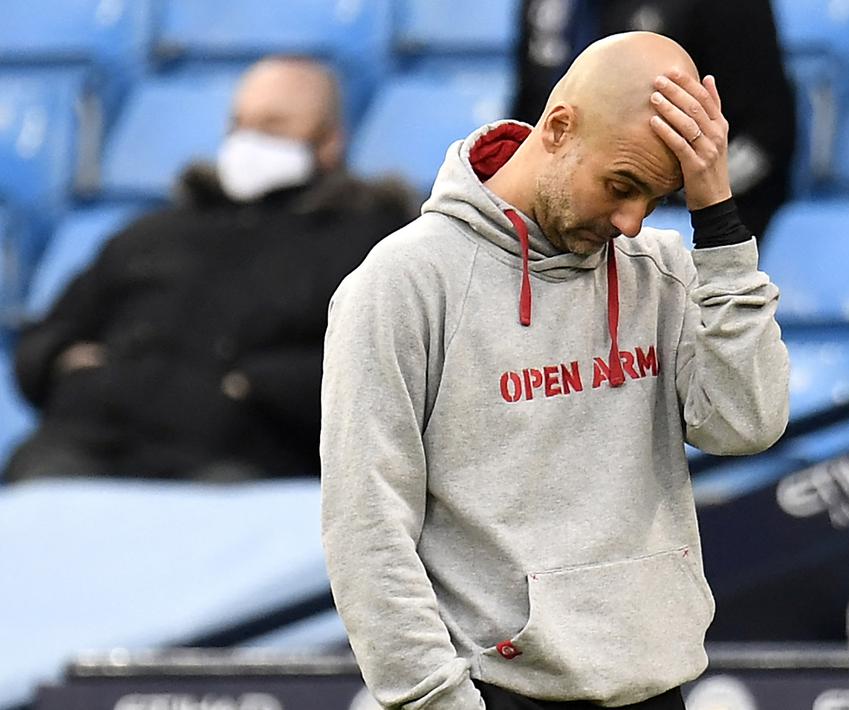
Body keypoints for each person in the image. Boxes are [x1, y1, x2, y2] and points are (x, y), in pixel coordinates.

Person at [321, 32, 790, 710]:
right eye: (621, 186)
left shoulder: (660, 268)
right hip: (492, 691)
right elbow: (366, 527)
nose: (631, 223)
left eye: (654, 201)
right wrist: (434, 700)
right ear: (560, 127)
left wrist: (716, 225)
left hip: (654, 686)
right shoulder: (404, 283)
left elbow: (746, 424)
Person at [5, 56, 416, 483]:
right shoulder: (154, 231)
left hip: (242, 461)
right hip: (84, 443)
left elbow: (383, 369)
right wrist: (64, 362)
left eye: (273, 126)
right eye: (239, 123)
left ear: (330, 142)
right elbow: (48, 335)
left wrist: (251, 386)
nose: (249, 140)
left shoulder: (372, 243)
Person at [512, 0, 796, 239]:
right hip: (562, 200)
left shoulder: (726, 7)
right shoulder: (550, 6)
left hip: (693, 216)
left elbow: (767, 136)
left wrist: (680, 196)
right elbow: (529, 108)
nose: (631, 226)